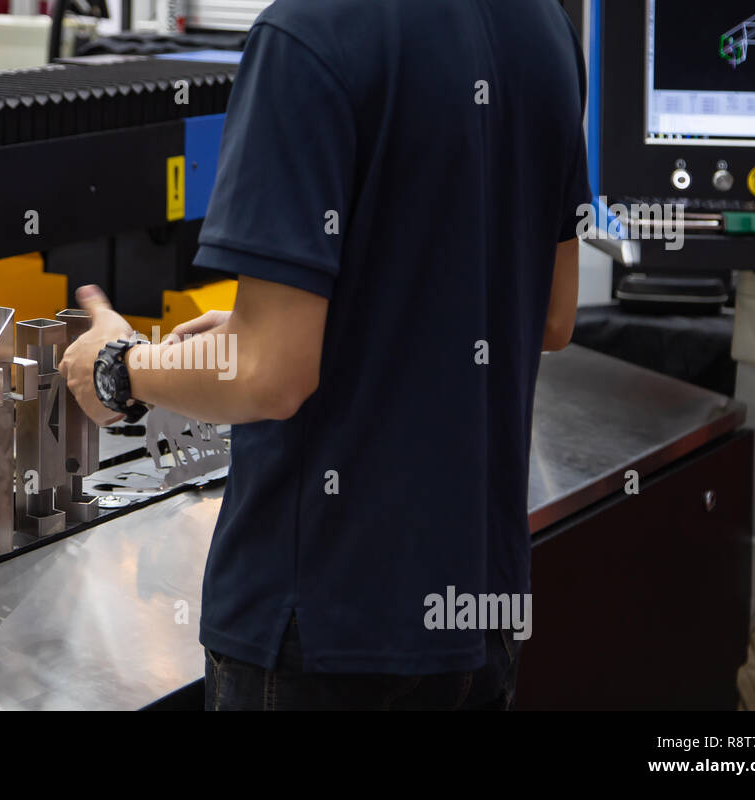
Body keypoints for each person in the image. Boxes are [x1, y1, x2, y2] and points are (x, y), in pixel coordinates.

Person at [59, 0, 590, 710]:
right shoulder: (544, 25)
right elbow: (552, 316)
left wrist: (117, 368)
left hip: (329, 630)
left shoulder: (307, 33)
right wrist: (310, 318)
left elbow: (268, 376)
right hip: (480, 613)